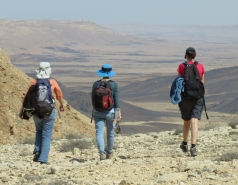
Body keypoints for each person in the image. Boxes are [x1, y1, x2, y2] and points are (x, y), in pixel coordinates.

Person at [19, 62, 64, 164]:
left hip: (36, 111)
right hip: (50, 111)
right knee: (46, 135)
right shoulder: (52, 82)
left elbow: (26, 98)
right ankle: (43, 159)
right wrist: (61, 105)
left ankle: (37, 150)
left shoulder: (34, 82)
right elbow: (59, 95)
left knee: (39, 131)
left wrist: (22, 110)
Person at [177, 47, 205, 156]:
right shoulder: (200, 66)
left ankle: (184, 143)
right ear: (195, 56)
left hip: (185, 97)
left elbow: (179, 83)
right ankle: (193, 147)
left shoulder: (181, 66)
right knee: (195, 121)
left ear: (186, 56)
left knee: (186, 121)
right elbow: (202, 83)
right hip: (198, 97)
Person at [91, 64, 121, 160]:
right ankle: (109, 152)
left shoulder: (96, 84)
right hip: (110, 112)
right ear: (110, 73)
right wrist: (118, 114)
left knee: (99, 133)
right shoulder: (114, 84)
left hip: (98, 111)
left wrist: (96, 108)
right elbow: (117, 100)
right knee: (110, 133)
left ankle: (102, 153)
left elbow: (92, 99)